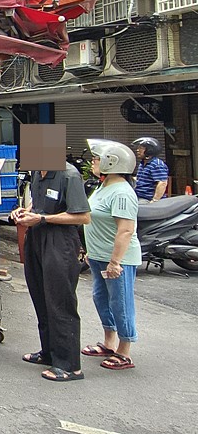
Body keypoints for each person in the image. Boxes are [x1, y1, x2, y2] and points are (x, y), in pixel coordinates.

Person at [12, 161, 91, 382]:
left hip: (60, 240)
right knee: (40, 296)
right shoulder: (37, 172)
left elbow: (83, 216)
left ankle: (70, 366)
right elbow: (38, 206)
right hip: (37, 236)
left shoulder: (69, 175)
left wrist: (43, 218)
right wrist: (25, 212)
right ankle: (49, 353)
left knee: (60, 301)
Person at [82, 138, 141, 371]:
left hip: (117, 259)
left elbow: (126, 230)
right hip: (99, 256)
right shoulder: (103, 186)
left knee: (121, 302)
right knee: (101, 298)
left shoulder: (122, 193)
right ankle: (109, 342)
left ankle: (124, 351)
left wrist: (116, 262)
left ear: (110, 162)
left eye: (96, 159)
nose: (93, 163)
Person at [132, 136, 168, 201]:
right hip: (139, 196)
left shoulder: (157, 164)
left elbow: (162, 183)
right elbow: (140, 179)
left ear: (149, 150)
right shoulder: (142, 163)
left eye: (141, 148)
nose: (137, 150)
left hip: (148, 199)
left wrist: (154, 200)